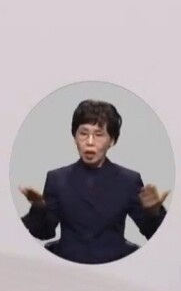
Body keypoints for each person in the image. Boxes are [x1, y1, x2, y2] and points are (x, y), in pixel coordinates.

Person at [19, 99, 169, 264]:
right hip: (68, 264)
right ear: (74, 137)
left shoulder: (128, 180)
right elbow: (44, 233)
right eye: (83, 134)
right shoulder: (57, 179)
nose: (90, 142)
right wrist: (39, 208)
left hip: (114, 265)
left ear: (112, 140)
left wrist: (154, 212)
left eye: (99, 135)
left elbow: (152, 234)